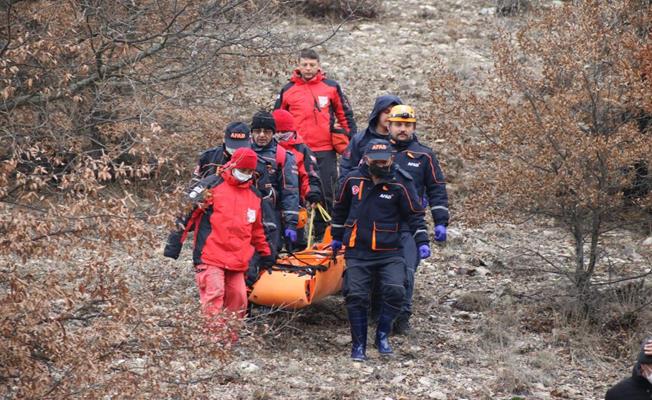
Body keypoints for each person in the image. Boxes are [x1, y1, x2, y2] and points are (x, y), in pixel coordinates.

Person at [331, 138, 430, 361]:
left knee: (396, 290)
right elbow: (340, 209)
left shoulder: (401, 183)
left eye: (384, 161)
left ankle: (382, 335)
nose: (381, 165)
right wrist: (337, 237)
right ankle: (358, 346)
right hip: (357, 249)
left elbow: (415, 215)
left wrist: (422, 241)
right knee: (355, 295)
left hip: (390, 250)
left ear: (391, 159)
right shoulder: (351, 180)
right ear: (365, 159)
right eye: (376, 161)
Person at [183, 148, 274, 324]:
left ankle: (229, 341)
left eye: (249, 172)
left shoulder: (254, 196)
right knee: (215, 294)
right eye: (243, 170)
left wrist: (266, 253)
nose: (245, 174)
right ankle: (212, 342)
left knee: (239, 298)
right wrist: (175, 243)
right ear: (232, 165)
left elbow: (257, 230)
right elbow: (187, 213)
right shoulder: (211, 185)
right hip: (210, 255)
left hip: (237, 259)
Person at [274, 48, 356, 238]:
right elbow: (277, 119)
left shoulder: (331, 87)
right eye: (304, 64)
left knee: (327, 193)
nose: (308, 68)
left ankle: (323, 235)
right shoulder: (288, 90)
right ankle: (297, 234)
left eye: (312, 65)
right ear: (298, 66)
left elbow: (345, 115)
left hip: (325, 149)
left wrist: (351, 141)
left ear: (319, 66)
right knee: (296, 192)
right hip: (297, 150)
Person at [387, 104, 450, 334]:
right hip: (379, 224)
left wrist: (441, 221)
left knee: (407, 271)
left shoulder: (425, 155)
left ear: (413, 127)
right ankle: (379, 315)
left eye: (407, 125)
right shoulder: (376, 151)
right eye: (398, 125)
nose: (402, 129)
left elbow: (437, 189)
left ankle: (402, 317)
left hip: (410, 225)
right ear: (389, 125)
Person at [272, 109, 323, 248]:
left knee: (297, 243)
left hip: (295, 203)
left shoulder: (302, 150)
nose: (281, 136)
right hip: (271, 204)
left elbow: (310, 175)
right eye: (278, 133)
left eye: (284, 133)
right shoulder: (267, 150)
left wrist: (312, 193)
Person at [249, 111, 300, 251]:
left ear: (273, 133)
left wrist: (291, 223)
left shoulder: (283, 156)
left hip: (271, 214)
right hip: (243, 212)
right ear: (252, 132)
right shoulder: (242, 152)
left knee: (269, 253)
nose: (262, 135)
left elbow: (290, 191)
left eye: (266, 131)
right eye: (258, 131)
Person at [338, 94, 403, 186]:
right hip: (365, 192)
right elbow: (346, 168)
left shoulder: (404, 139)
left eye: (393, 113)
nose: (390, 116)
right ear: (378, 113)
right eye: (386, 111)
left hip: (397, 192)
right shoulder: (360, 139)